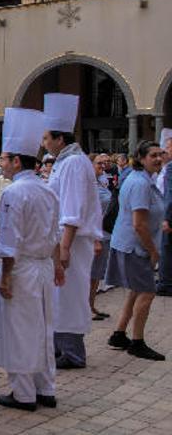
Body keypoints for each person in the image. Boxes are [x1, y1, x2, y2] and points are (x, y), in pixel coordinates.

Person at [0, 108, 62, 412]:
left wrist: (6, 275)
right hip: (44, 266)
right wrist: (57, 264)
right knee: (44, 327)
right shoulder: (47, 190)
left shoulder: (14, 193)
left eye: (5, 158)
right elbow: (54, 233)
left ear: (17, 161)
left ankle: (23, 393)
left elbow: (10, 241)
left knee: (21, 328)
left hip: (23, 268)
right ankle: (45, 387)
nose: (1, 164)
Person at [42, 93, 103, 370]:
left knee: (70, 295)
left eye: (46, 138)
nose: (44, 143)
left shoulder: (75, 164)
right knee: (60, 296)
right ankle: (60, 348)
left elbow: (73, 209)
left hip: (74, 243)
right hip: (64, 241)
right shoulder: (65, 163)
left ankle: (73, 353)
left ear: (60, 139)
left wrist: (64, 246)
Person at [106, 141, 166, 360]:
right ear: (141, 158)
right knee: (147, 292)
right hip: (135, 247)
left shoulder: (141, 179)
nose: (158, 158)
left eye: (160, 154)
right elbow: (139, 224)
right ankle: (137, 342)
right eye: (153, 155)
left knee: (136, 290)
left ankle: (119, 334)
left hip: (128, 244)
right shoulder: (140, 183)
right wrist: (153, 251)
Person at [90, 153, 113, 320]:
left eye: (104, 163)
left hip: (105, 232)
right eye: (98, 163)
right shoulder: (88, 186)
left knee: (96, 274)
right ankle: (85, 307)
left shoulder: (101, 182)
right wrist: (95, 239)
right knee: (90, 273)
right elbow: (90, 213)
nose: (102, 166)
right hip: (95, 235)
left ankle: (90, 304)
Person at [156, 129, 172, 296]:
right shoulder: (166, 169)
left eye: (167, 149)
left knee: (166, 248)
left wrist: (166, 217)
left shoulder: (170, 169)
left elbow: (169, 195)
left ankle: (166, 283)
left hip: (167, 214)